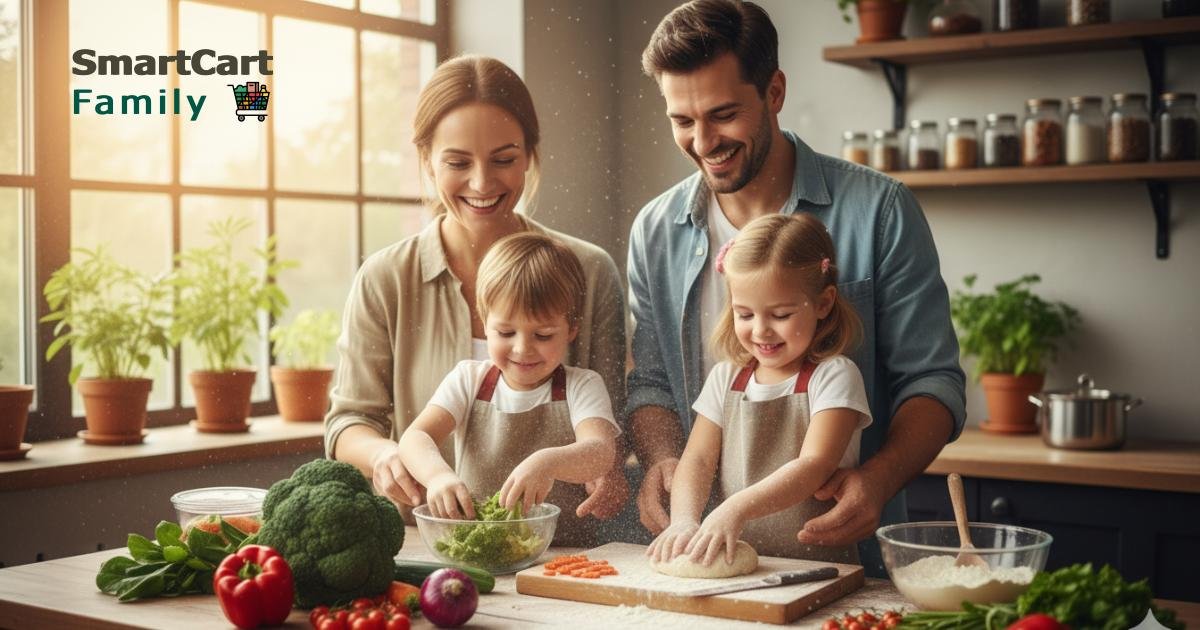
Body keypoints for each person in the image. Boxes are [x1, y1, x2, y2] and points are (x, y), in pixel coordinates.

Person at [627, 0, 966, 576]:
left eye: (723, 114)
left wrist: (876, 480)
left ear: (774, 91)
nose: (704, 141)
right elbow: (653, 382)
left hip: (844, 557)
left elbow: (932, 380)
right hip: (702, 557)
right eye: (683, 121)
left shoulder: (878, 209)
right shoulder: (655, 231)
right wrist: (663, 457)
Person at [325, 54, 628, 525]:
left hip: (557, 545)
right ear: (426, 159)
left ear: (529, 154)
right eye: (458, 162)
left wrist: (605, 468)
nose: (482, 183)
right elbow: (348, 423)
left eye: (504, 159)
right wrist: (387, 456)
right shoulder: (385, 279)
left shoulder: (590, 271)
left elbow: (615, 421)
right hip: (426, 540)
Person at [647, 213, 871, 566]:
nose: (761, 330)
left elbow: (814, 465)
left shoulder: (834, 377)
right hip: (740, 571)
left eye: (780, 315)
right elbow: (699, 460)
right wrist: (684, 520)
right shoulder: (725, 378)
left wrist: (735, 508)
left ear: (824, 303)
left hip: (821, 571)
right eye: (745, 314)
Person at [398, 233, 621, 544]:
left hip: (564, 556)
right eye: (505, 332)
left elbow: (600, 453)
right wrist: (437, 476)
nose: (522, 349)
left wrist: (548, 462)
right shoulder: (468, 380)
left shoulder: (582, 385)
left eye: (542, 335)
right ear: (484, 322)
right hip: (479, 547)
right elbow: (414, 438)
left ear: (571, 329)